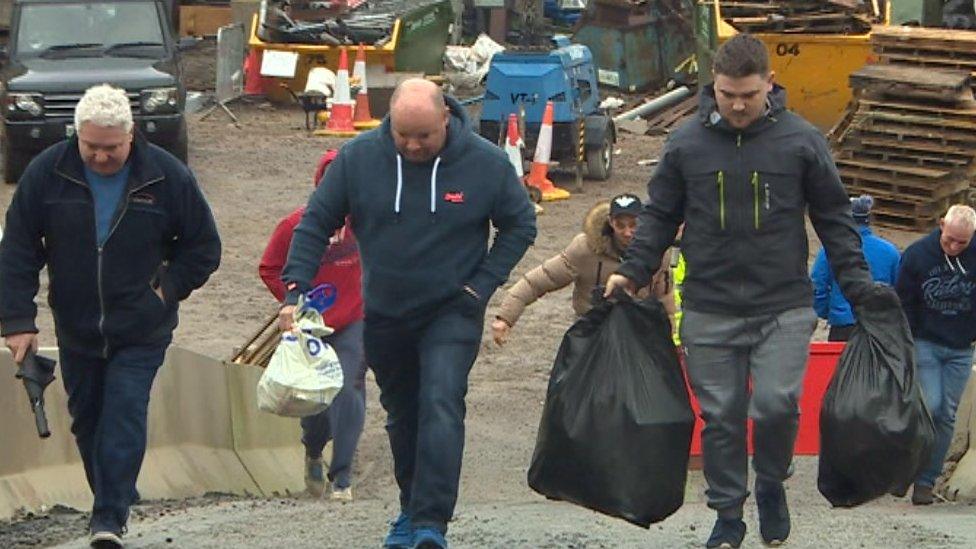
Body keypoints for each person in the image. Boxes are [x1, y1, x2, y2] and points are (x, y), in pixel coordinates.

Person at [603, 34, 874, 548]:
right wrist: (634, 270)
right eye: (728, 94)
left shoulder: (801, 141)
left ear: (769, 84)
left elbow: (835, 219)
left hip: (783, 305)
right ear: (715, 86)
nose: (738, 104)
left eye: (748, 93)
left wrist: (858, 285)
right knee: (722, 417)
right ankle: (729, 513)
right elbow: (660, 215)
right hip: (709, 305)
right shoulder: (686, 144)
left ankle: (771, 483)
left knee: (775, 405)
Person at [280, 78, 536, 549]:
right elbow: (316, 221)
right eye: (404, 136)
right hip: (386, 311)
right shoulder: (358, 160)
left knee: (440, 402)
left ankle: (430, 525)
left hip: (452, 310)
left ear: (446, 119)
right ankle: (410, 509)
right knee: (402, 414)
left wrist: (481, 285)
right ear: (390, 124)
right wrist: (295, 288)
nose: (414, 146)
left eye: (424, 136)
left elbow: (521, 224)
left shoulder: (485, 163)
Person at [0, 84, 221, 548]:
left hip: (142, 326)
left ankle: (108, 519)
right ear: (76, 135)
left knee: (124, 411)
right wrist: (19, 320)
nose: (100, 157)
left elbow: (203, 248)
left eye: (111, 148)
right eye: (91, 147)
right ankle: (113, 494)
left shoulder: (166, 177)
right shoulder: (48, 174)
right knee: (88, 419)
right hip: (77, 325)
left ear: (131, 136)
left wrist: (166, 291)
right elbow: (18, 250)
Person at [259, 149, 366, 502]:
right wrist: (293, 301)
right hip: (311, 326)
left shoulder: (365, 225)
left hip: (354, 320)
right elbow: (270, 267)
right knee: (315, 398)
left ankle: (343, 476)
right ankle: (313, 450)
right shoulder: (295, 226)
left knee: (348, 386)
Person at [491, 193, 673, 345]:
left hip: (639, 334)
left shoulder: (657, 253)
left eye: (634, 225)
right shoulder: (585, 250)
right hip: (592, 334)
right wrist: (505, 318)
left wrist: (674, 338)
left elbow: (665, 298)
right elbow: (539, 281)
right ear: (610, 222)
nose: (627, 232)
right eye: (621, 225)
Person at [895, 204, 976, 505]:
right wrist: (908, 339)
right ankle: (906, 466)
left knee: (947, 415)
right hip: (925, 342)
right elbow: (903, 300)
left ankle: (925, 481)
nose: (954, 247)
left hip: (960, 348)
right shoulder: (917, 254)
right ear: (942, 224)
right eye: (949, 239)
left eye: (962, 243)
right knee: (931, 406)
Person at [811, 194, 900, 341]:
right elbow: (899, 290)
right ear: (869, 219)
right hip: (880, 328)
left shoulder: (830, 250)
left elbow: (817, 288)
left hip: (843, 326)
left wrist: (831, 312)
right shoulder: (890, 252)